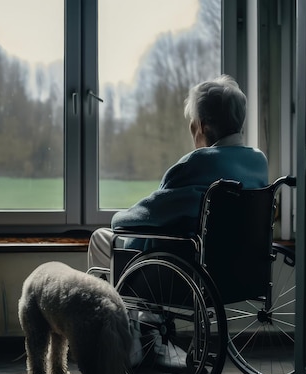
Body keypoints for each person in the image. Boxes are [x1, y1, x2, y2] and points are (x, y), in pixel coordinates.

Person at [87, 74, 269, 274]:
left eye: (192, 122)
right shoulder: (258, 162)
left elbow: (152, 213)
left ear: (201, 125)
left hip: (173, 268)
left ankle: (108, 305)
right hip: (234, 269)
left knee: (100, 238)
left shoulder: (197, 163)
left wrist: (119, 218)